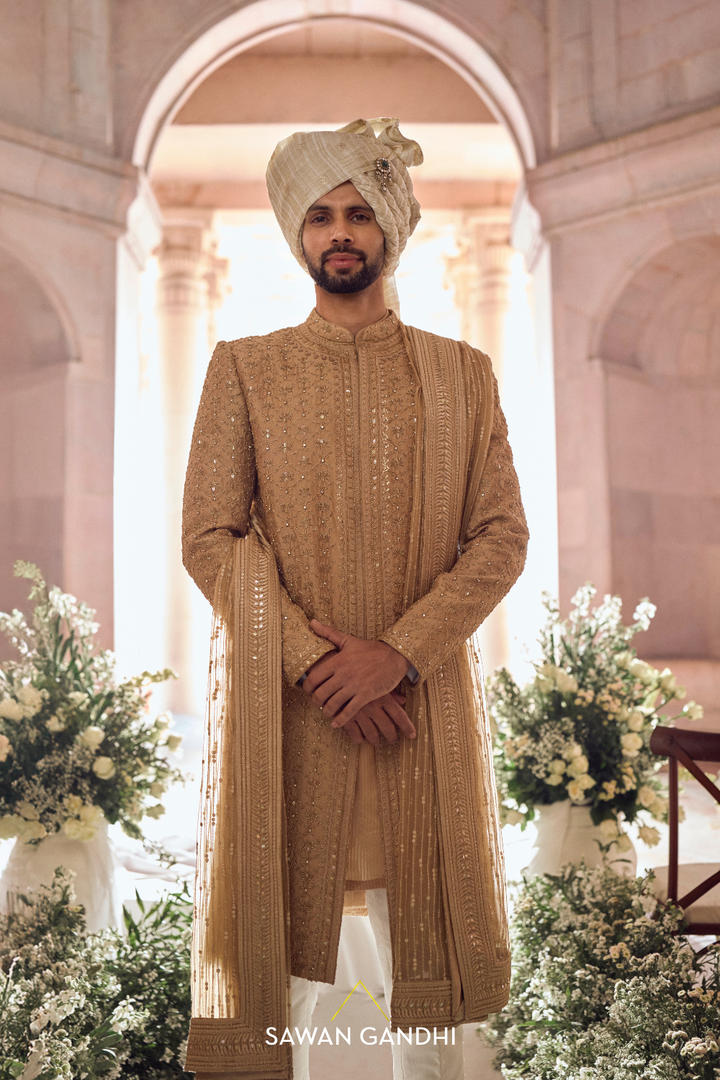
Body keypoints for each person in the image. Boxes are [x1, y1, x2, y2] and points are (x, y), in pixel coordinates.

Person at [181, 118, 529, 1080]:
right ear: (298, 234)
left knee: (434, 988)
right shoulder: (245, 369)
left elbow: (501, 537)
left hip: (421, 715)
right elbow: (210, 537)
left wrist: (399, 654)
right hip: (296, 720)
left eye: (362, 214)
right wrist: (321, 663)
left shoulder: (465, 375)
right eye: (322, 215)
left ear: (393, 229)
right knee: (297, 976)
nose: (342, 232)